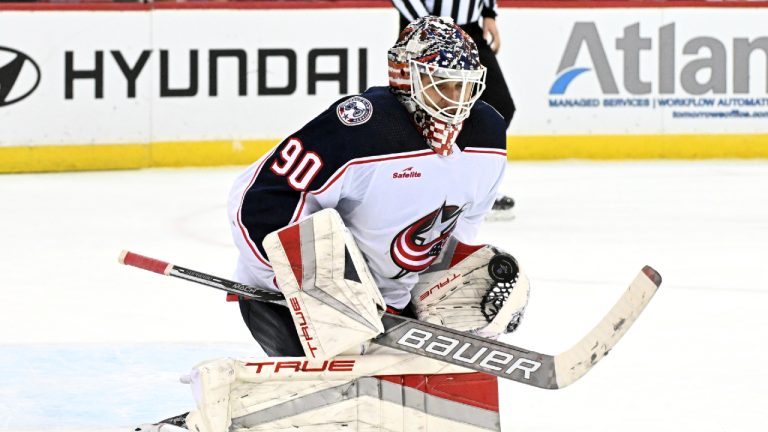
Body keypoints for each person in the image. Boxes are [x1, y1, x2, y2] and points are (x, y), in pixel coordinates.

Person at [137, 16, 528, 432]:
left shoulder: (487, 134)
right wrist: (313, 288)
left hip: (389, 308)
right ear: (405, 77)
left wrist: (448, 293)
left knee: (474, 292)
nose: (456, 100)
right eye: (443, 85)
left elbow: (458, 231)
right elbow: (259, 200)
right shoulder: (361, 128)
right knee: (342, 403)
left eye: (465, 86)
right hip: (287, 301)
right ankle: (202, 421)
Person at [392, 0, 517, 220]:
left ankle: (469, 187)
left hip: (469, 31)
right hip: (426, 35)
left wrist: (489, 12)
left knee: (500, 106)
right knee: (424, 108)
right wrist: (428, 25)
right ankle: (421, 184)